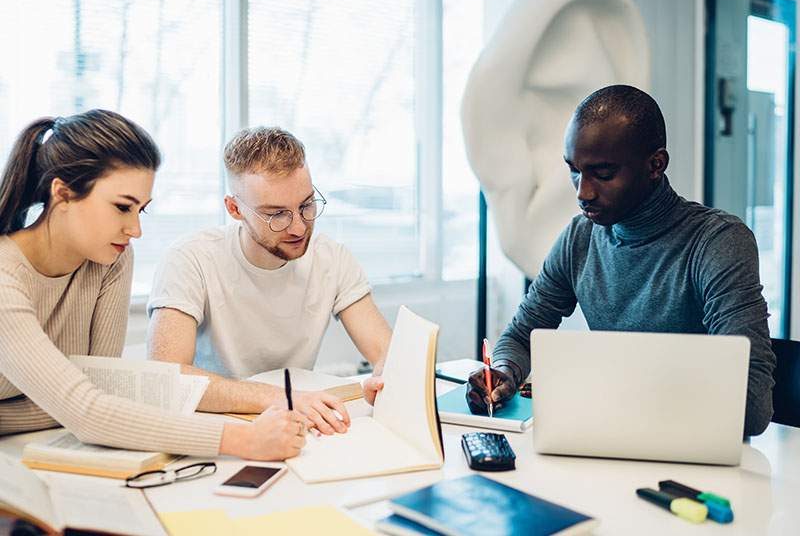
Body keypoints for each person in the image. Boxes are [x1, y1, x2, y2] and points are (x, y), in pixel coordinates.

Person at [467, 84, 776, 438]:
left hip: (694, 449)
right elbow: (521, 337)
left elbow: (751, 405)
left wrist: (597, 386)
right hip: (612, 437)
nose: (583, 192)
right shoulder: (578, 238)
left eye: (603, 172)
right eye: (574, 170)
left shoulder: (716, 242)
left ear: (655, 164)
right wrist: (503, 373)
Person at [0, 110, 308, 460]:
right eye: (121, 207)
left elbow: (101, 390)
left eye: (141, 211)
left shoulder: (111, 258)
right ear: (64, 194)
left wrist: (68, 404)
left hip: (34, 445)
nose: (135, 230)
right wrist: (245, 440)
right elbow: (86, 410)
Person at [146, 126, 392, 435]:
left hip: (299, 423)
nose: (299, 228)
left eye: (306, 205)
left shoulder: (333, 257)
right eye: (276, 214)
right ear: (235, 209)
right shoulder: (190, 258)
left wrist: (383, 377)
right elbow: (167, 377)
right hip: (217, 432)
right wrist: (279, 398)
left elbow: (388, 352)